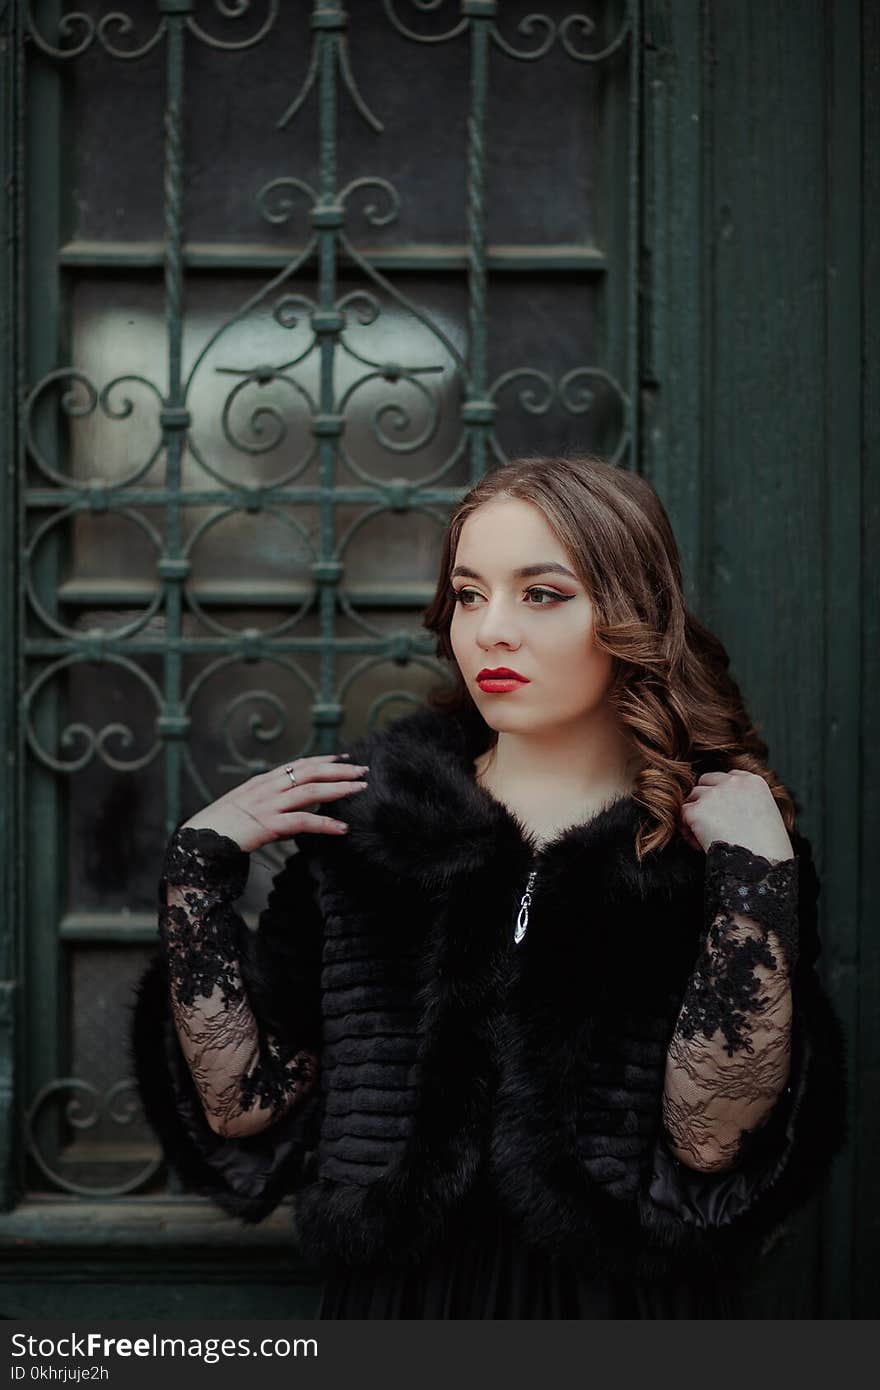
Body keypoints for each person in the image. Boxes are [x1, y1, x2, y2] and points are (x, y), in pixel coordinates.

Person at [131, 454, 847, 1319]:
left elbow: (708, 1139)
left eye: (541, 594)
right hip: (399, 1308)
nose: (490, 632)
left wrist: (755, 881)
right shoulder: (369, 829)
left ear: (628, 614)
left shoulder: (716, 849)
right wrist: (196, 875)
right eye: (470, 595)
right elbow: (245, 1106)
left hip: (621, 1314)